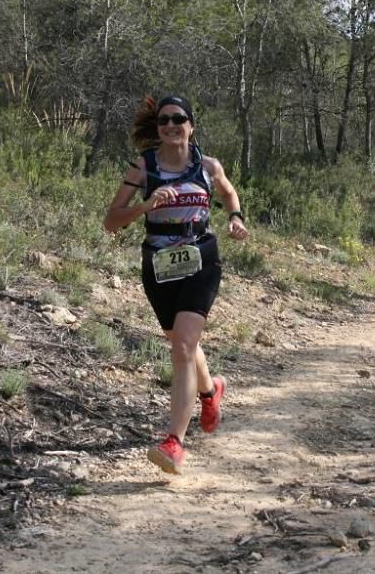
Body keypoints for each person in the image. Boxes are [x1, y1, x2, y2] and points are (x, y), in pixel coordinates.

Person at [103, 94, 249, 475]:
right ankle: (210, 390)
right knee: (180, 341)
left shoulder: (207, 165)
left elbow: (228, 191)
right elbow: (110, 221)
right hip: (158, 263)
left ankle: (174, 442)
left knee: (183, 345)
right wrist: (145, 206)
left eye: (178, 118)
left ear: (190, 125)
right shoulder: (144, 166)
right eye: (163, 121)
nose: (170, 125)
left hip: (201, 257)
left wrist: (235, 217)